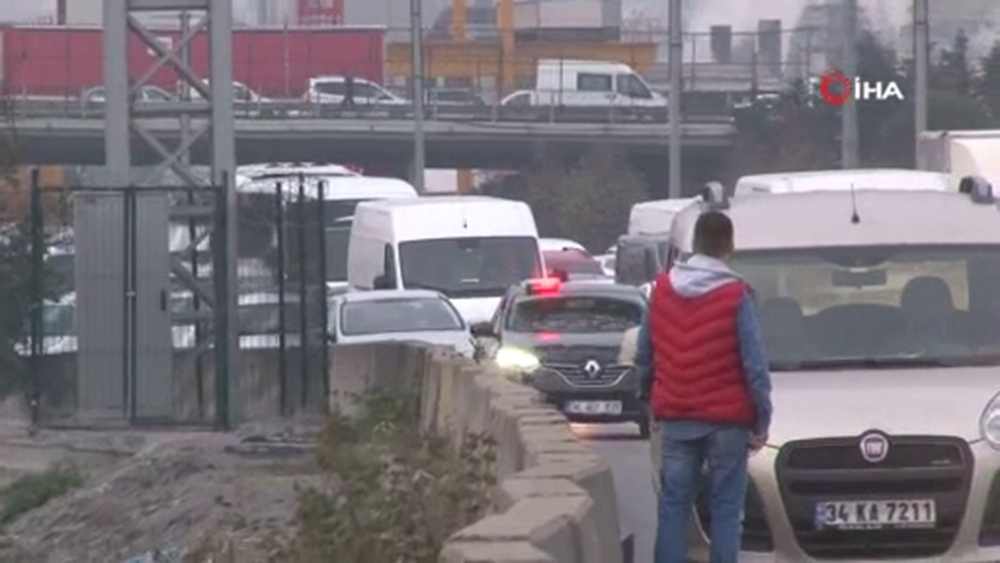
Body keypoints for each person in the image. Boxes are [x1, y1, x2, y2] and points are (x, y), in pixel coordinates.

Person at [635, 211, 772, 563]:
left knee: (674, 507)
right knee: (727, 511)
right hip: (728, 422)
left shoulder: (661, 291)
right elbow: (754, 365)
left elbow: (644, 355)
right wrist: (762, 418)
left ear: (694, 243)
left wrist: (647, 398)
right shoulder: (736, 295)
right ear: (728, 245)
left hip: (677, 418)